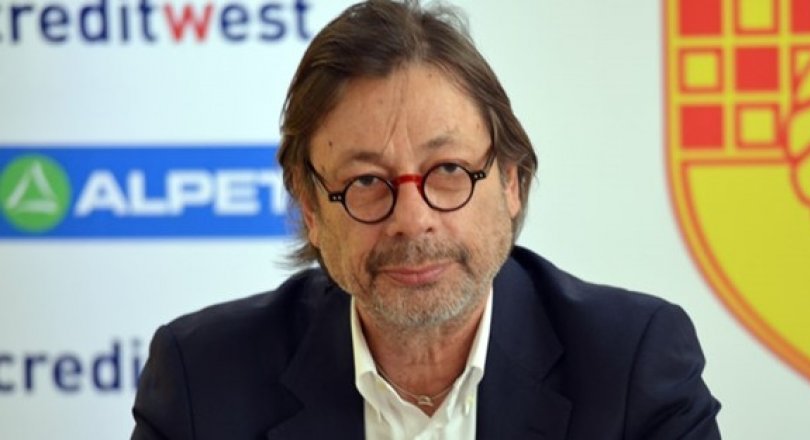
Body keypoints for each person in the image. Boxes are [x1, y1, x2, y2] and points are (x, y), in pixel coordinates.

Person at [131, 0, 721, 438]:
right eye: (366, 182)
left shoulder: (631, 364)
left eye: (448, 170)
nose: (413, 221)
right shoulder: (203, 381)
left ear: (510, 182)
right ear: (310, 207)